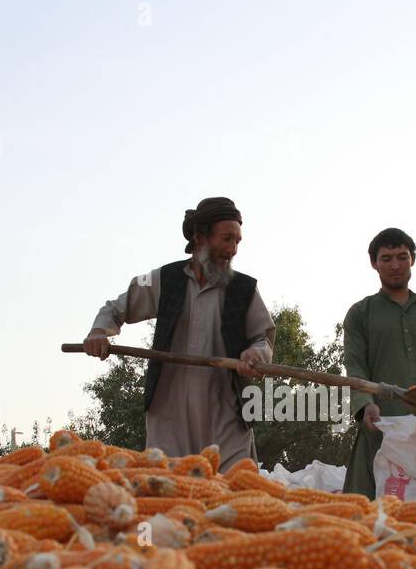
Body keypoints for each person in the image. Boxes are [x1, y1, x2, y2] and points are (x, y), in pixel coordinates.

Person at [83, 197, 276, 471]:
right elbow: (115, 309)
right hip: (169, 416)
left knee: (235, 494)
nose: (232, 249)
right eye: (226, 239)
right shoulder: (163, 279)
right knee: (171, 493)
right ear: (200, 237)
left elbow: (263, 337)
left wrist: (257, 354)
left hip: (226, 416)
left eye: (237, 241)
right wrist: (99, 332)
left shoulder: (244, 289)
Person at [341, 227, 416, 497]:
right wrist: (365, 404)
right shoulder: (360, 314)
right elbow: (355, 365)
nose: (395, 265)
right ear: (374, 264)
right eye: (386, 258)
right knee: (367, 514)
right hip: (381, 427)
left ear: (412, 260)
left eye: (402, 257)